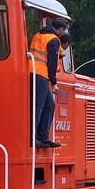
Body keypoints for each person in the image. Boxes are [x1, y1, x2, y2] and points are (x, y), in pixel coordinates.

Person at [29, 17, 67, 148]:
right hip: (41, 74)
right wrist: (54, 82)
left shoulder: (37, 36)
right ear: (60, 29)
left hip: (32, 71)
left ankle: (42, 137)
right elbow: (51, 62)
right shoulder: (53, 39)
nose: (63, 33)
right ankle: (33, 137)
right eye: (64, 30)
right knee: (38, 107)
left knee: (49, 105)